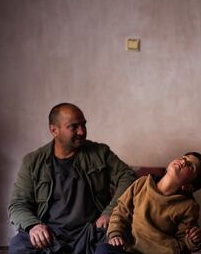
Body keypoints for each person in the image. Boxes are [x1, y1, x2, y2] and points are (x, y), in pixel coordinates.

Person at [8, 103, 138, 254]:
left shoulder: (101, 153)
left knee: (113, 248)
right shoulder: (32, 162)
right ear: (54, 130)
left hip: (92, 232)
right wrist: (33, 226)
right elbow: (18, 204)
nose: (82, 131)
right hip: (51, 235)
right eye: (73, 127)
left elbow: (128, 176)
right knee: (19, 245)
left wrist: (109, 212)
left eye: (83, 125)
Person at [95, 152, 201, 254]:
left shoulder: (188, 206)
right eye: (184, 158)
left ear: (188, 187)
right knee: (103, 249)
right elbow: (120, 211)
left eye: (190, 166)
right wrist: (115, 233)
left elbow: (184, 240)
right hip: (132, 249)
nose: (183, 161)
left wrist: (193, 240)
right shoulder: (142, 183)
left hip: (162, 250)